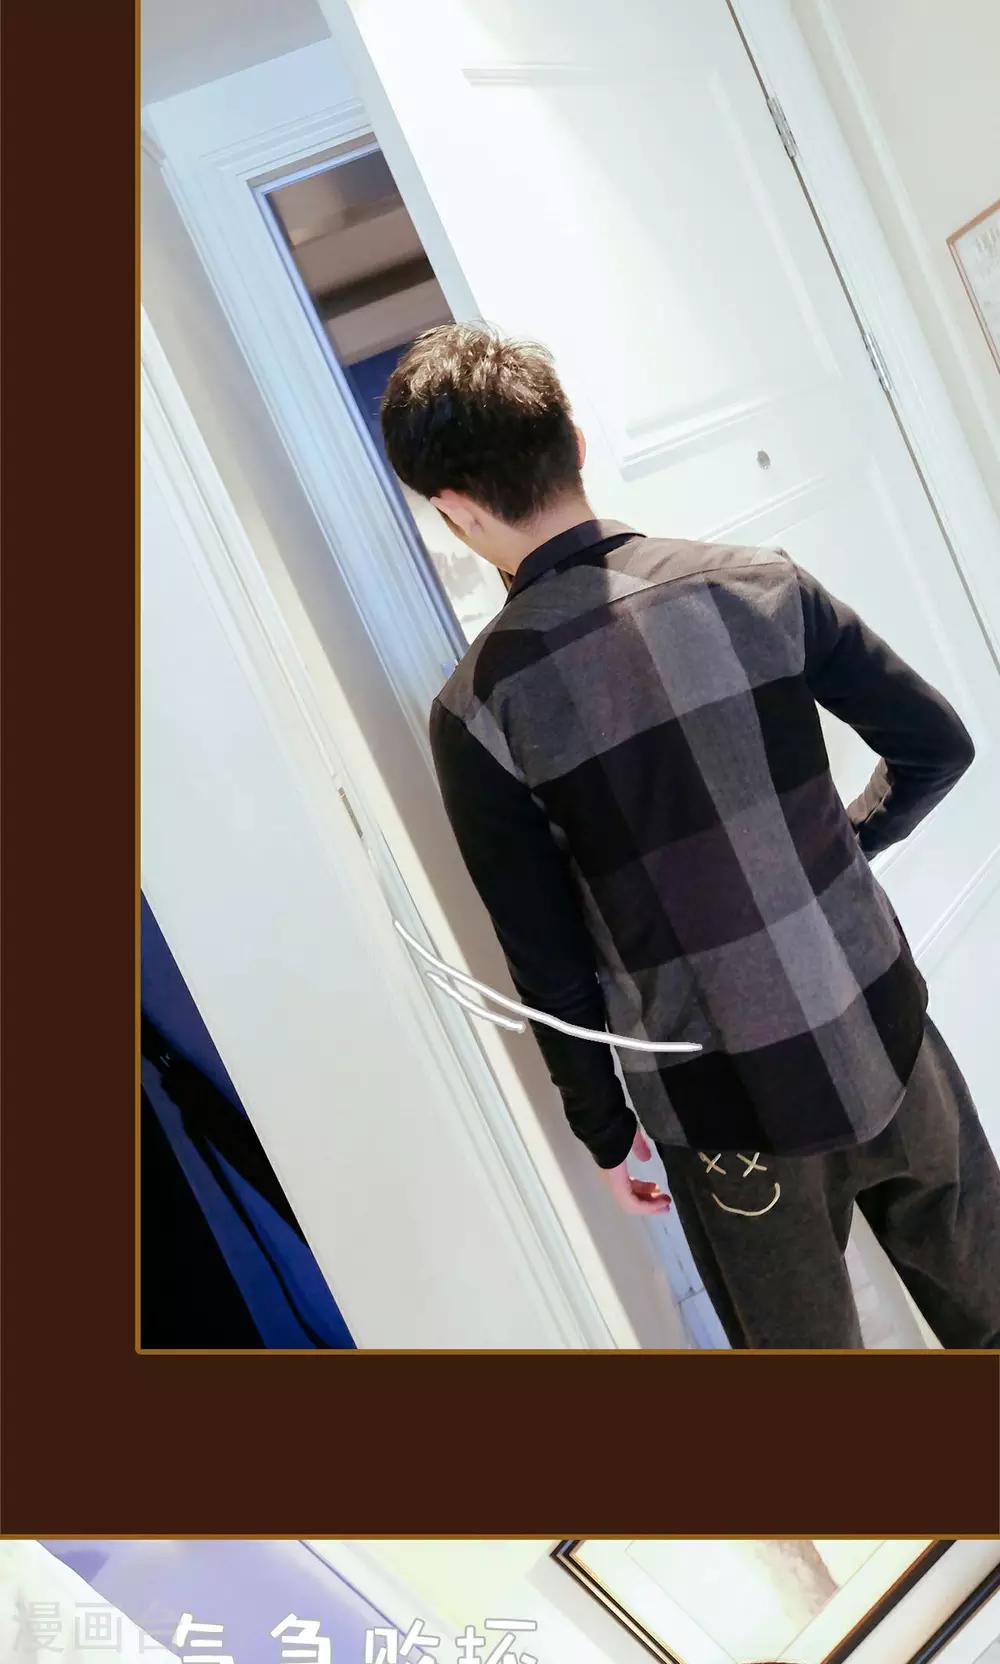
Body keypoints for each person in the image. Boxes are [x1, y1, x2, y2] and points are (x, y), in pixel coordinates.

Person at [380, 321, 1000, 1350]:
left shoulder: (481, 709)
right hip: (883, 1025)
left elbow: (551, 968)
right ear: (575, 443)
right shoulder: (760, 582)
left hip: (724, 1114)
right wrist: (844, 845)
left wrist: (604, 1130)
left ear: (453, 510)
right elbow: (936, 745)